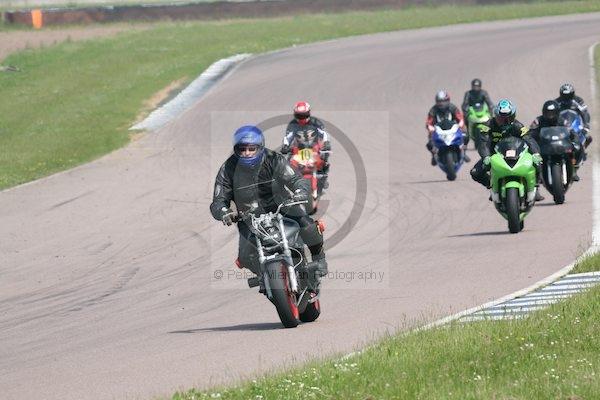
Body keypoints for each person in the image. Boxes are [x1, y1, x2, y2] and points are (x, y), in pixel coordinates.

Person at [210, 125, 328, 291]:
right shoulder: (228, 169)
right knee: (244, 257)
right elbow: (218, 200)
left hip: (281, 206)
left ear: (260, 147)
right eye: (242, 149)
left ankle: (319, 258)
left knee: (308, 226)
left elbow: (296, 179)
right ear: (236, 150)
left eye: (251, 148)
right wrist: (224, 212)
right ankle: (264, 276)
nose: (247, 153)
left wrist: (300, 191)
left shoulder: (273, 159)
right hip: (248, 217)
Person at [470, 99, 544, 201]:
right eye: (501, 118)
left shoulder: (518, 125)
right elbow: (483, 143)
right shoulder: (487, 126)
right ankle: (493, 186)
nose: (505, 121)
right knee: (475, 173)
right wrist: (486, 156)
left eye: (508, 118)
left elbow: (529, 139)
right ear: (496, 116)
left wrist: (536, 153)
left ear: (513, 116)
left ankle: (535, 187)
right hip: (494, 155)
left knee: (537, 163)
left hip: (517, 153)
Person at [281, 101, 331, 178]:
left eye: (304, 115)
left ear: (308, 113)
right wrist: (285, 146)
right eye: (299, 115)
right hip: (299, 149)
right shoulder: (292, 124)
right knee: (288, 165)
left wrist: (326, 142)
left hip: (314, 148)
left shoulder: (316, 122)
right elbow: (288, 137)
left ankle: (323, 172)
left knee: (323, 157)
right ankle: (290, 179)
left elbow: (324, 133)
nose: (302, 118)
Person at [426, 90, 470, 165]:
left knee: (465, 135)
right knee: (430, 142)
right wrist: (430, 128)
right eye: (439, 101)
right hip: (438, 130)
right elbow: (429, 122)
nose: (441, 103)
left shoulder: (453, 108)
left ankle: (463, 151)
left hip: (452, 128)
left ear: (447, 100)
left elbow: (460, 118)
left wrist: (460, 124)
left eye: (443, 101)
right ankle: (433, 155)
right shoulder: (433, 110)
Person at [555, 83, 592, 148]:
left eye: (568, 95)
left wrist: (586, 125)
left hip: (575, 124)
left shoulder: (578, 100)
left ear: (572, 94)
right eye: (564, 96)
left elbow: (585, 113)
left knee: (587, 137)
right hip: (561, 125)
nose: (566, 98)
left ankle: (582, 147)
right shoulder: (556, 102)